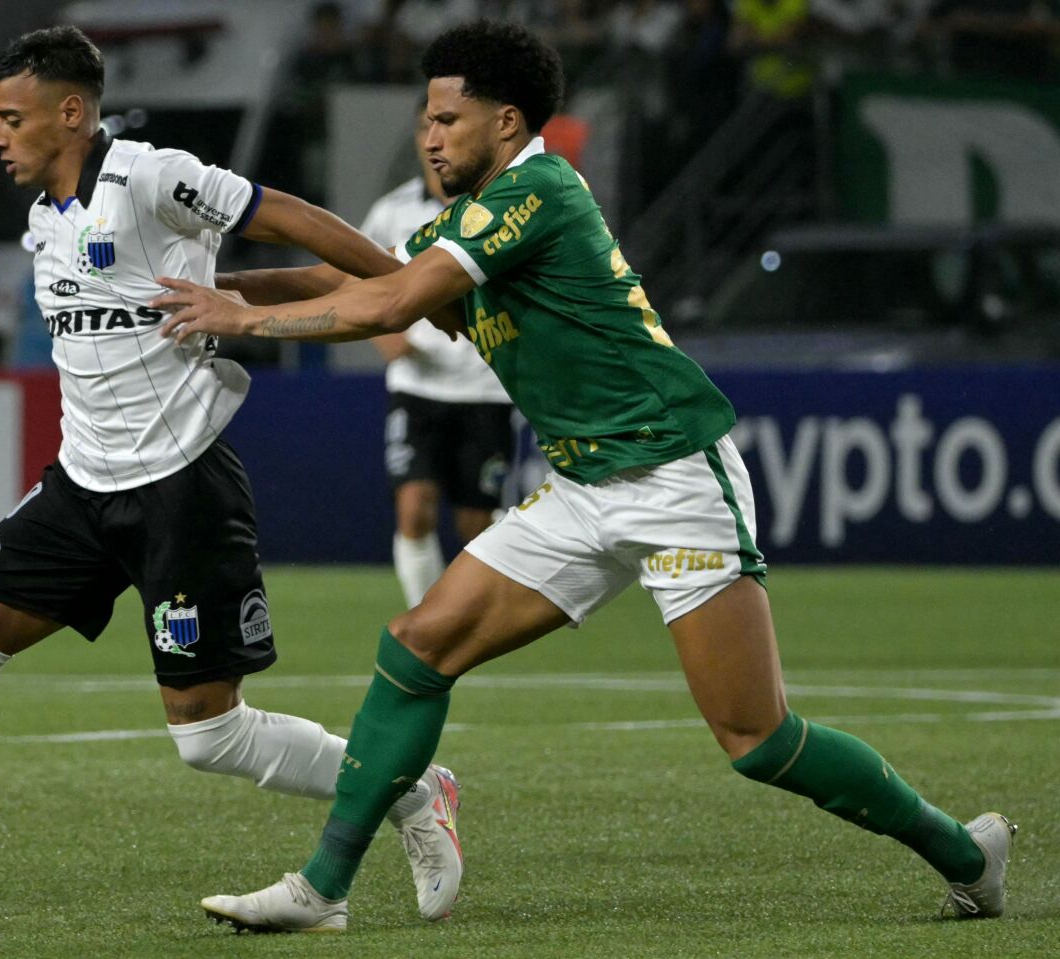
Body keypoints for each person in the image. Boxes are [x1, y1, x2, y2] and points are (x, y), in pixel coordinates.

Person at [152, 18, 1016, 932]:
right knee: (416, 649)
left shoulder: (538, 191)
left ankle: (966, 852)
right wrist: (231, 288)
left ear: (510, 122)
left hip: (676, 476)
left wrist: (239, 320)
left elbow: (392, 302)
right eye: (426, 118)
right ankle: (324, 886)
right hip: (584, 487)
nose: (431, 134)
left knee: (755, 738)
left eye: (450, 117)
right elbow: (376, 274)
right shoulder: (468, 222)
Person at [0, 25, 464, 924]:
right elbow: (164, 292)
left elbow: (292, 217)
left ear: (70, 111)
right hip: (81, 483)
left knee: (208, 735)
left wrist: (413, 288)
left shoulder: (152, 175)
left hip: (180, 485)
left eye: (11, 117)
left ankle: (415, 792)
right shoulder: (42, 218)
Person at [360, 102, 513, 607]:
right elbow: (360, 279)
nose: (436, 142)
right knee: (415, 506)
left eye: (447, 128)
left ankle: (475, 614)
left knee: (477, 522)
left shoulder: (500, 205)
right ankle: (427, 616)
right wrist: (387, 339)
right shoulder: (392, 211)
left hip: (485, 386)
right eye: (429, 129)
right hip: (417, 386)